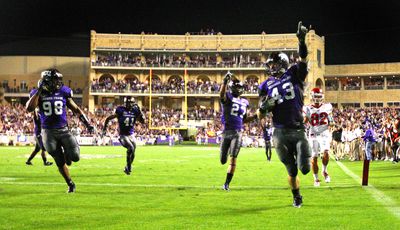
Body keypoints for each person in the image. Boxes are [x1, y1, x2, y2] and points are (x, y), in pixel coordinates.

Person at [258, 21, 310, 208]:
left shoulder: (294, 73)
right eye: (270, 64)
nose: (272, 67)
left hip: (297, 129)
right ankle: (296, 195)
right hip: (279, 132)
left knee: (305, 168)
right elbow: (260, 109)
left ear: (283, 63)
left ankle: (302, 174)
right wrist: (264, 107)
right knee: (292, 170)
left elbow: (303, 59)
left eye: (275, 63)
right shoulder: (265, 84)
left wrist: (301, 41)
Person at [26, 68, 94, 193]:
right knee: (59, 160)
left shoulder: (63, 92)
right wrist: (40, 90)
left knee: (75, 157)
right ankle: (70, 183)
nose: (58, 82)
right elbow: (29, 108)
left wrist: (87, 124)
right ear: (48, 80)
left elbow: (76, 109)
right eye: (55, 80)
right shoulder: (37, 93)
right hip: (48, 133)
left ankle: (67, 153)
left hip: (64, 130)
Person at [219, 72, 257, 191]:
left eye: (240, 88)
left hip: (237, 133)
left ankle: (226, 184)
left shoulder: (244, 102)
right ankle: (226, 182)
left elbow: (244, 119)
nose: (239, 89)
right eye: (237, 87)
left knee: (233, 158)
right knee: (222, 160)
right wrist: (224, 82)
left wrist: (256, 116)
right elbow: (221, 95)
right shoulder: (228, 97)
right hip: (226, 132)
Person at [102, 96, 145, 175]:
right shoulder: (120, 110)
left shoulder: (135, 110)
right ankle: (128, 168)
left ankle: (128, 166)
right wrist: (104, 128)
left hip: (131, 134)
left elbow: (143, 121)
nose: (128, 105)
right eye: (127, 103)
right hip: (123, 135)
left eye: (129, 103)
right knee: (130, 148)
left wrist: (140, 112)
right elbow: (109, 118)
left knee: (133, 151)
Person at [303, 87, 334, 186]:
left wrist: (331, 121)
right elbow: (305, 121)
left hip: (324, 132)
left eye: (319, 96)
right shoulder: (307, 108)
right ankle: (316, 179)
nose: (317, 98)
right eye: (316, 96)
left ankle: (324, 171)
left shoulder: (327, 106)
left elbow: (331, 120)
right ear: (312, 97)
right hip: (313, 134)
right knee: (314, 157)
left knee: (326, 153)